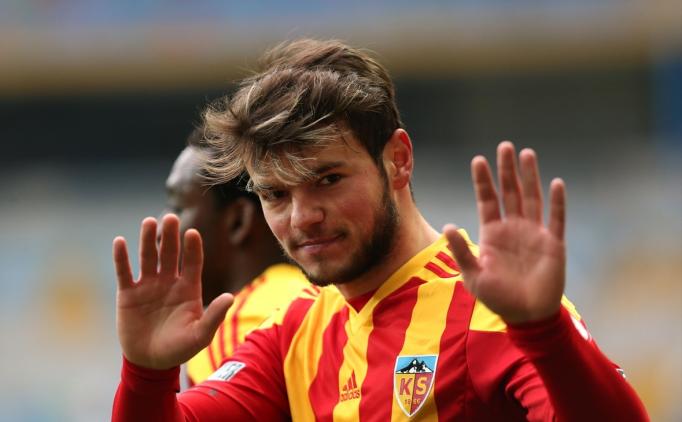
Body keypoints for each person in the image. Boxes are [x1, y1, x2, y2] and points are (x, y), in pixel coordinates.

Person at [112, 39, 648, 420]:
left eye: (327, 179)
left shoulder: (488, 311)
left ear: (398, 160)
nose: (301, 217)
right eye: (276, 195)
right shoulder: (294, 334)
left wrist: (545, 332)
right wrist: (147, 375)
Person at [160, 127, 311, 385]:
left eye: (178, 207)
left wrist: (145, 372)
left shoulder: (237, 325)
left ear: (238, 221)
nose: (160, 225)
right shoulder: (323, 300)